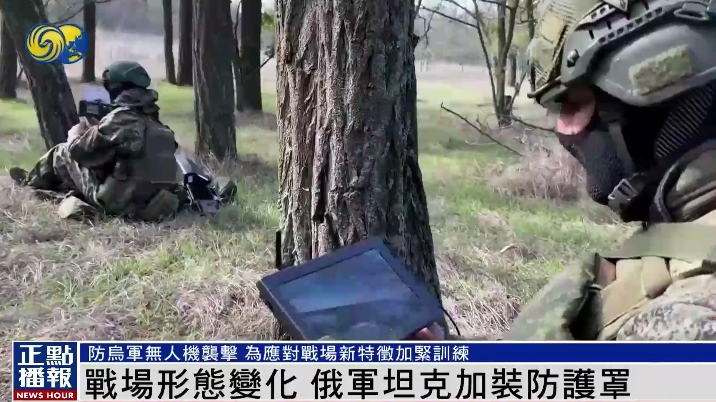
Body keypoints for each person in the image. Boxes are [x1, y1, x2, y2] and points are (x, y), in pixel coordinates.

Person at [417, 0, 716, 340]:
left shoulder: (692, 316)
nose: (565, 131)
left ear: (656, 87)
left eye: (574, 102)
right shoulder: (684, 233)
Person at [9, 60, 180, 221]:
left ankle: (28, 183)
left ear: (117, 87)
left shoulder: (121, 118)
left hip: (120, 206)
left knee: (61, 151)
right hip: (154, 207)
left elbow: (80, 152)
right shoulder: (159, 126)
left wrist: (76, 134)